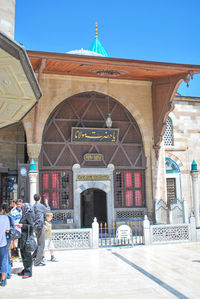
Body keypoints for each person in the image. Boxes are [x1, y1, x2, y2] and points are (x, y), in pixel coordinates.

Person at [17, 203, 35, 279]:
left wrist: (23, 225)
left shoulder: (29, 214)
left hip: (27, 238)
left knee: (27, 255)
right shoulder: (24, 214)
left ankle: (28, 271)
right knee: (23, 254)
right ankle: (25, 269)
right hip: (23, 237)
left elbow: (31, 226)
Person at [32, 194, 50, 266]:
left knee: (39, 243)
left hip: (35, 226)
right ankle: (37, 262)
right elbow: (48, 211)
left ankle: (33, 257)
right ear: (40, 198)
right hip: (40, 226)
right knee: (41, 244)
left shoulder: (33, 206)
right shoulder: (40, 206)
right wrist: (47, 203)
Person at [0, 202, 10, 287]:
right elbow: (7, 230)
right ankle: (3, 279)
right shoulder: (5, 218)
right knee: (3, 260)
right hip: (3, 242)